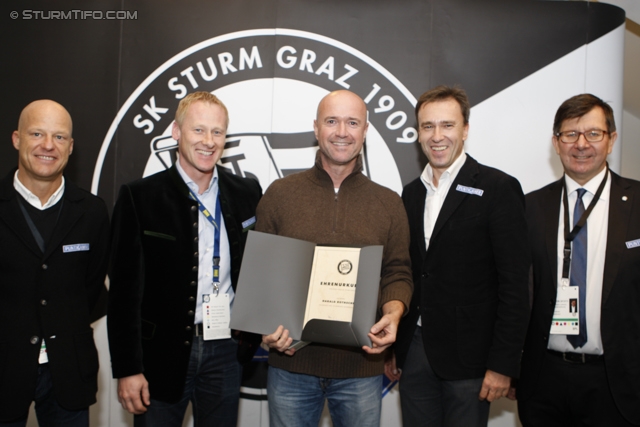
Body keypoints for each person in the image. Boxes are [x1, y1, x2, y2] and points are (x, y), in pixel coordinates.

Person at [257, 89, 413, 427]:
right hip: (290, 365)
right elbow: (260, 275)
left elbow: (398, 272)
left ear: (366, 130)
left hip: (361, 370)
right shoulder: (279, 194)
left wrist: (394, 313)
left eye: (352, 122)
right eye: (332, 121)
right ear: (316, 128)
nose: (342, 132)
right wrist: (263, 328)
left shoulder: (388, 203)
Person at [107, 91, 262, 427]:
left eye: (217, 132)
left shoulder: (248, 193)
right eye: (198, 130)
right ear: (177, 132)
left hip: (225, 350)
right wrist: (128, 368)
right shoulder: (139, 196)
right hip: (160, 354)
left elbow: (259, 270)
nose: (208, 141)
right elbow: (122, 293)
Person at [387, 85, 530, 427]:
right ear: (418, 133)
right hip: (415, 350)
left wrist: (502, 364)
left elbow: (515, 285)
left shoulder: (498, 188)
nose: (437, 136)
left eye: (447, 125)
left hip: (473, 360)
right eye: (427, 126)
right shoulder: (410, 193)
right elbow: (406, 272)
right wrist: (396, 349)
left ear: (465, 129)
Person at [517, 93, 640, 426]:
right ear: (556, 143)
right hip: (543, 380)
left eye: (593, 133)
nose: (581, 144)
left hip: (618, 383)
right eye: (570, 134)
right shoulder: (530, 208)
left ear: (611, 140)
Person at [0, 100, 110, 425]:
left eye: (59, 137)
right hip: (4, 370)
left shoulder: (91, 212)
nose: (48, 145)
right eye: (37, 133)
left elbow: (92, 288)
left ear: (71, 146)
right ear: (17, 139)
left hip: (69, 372)